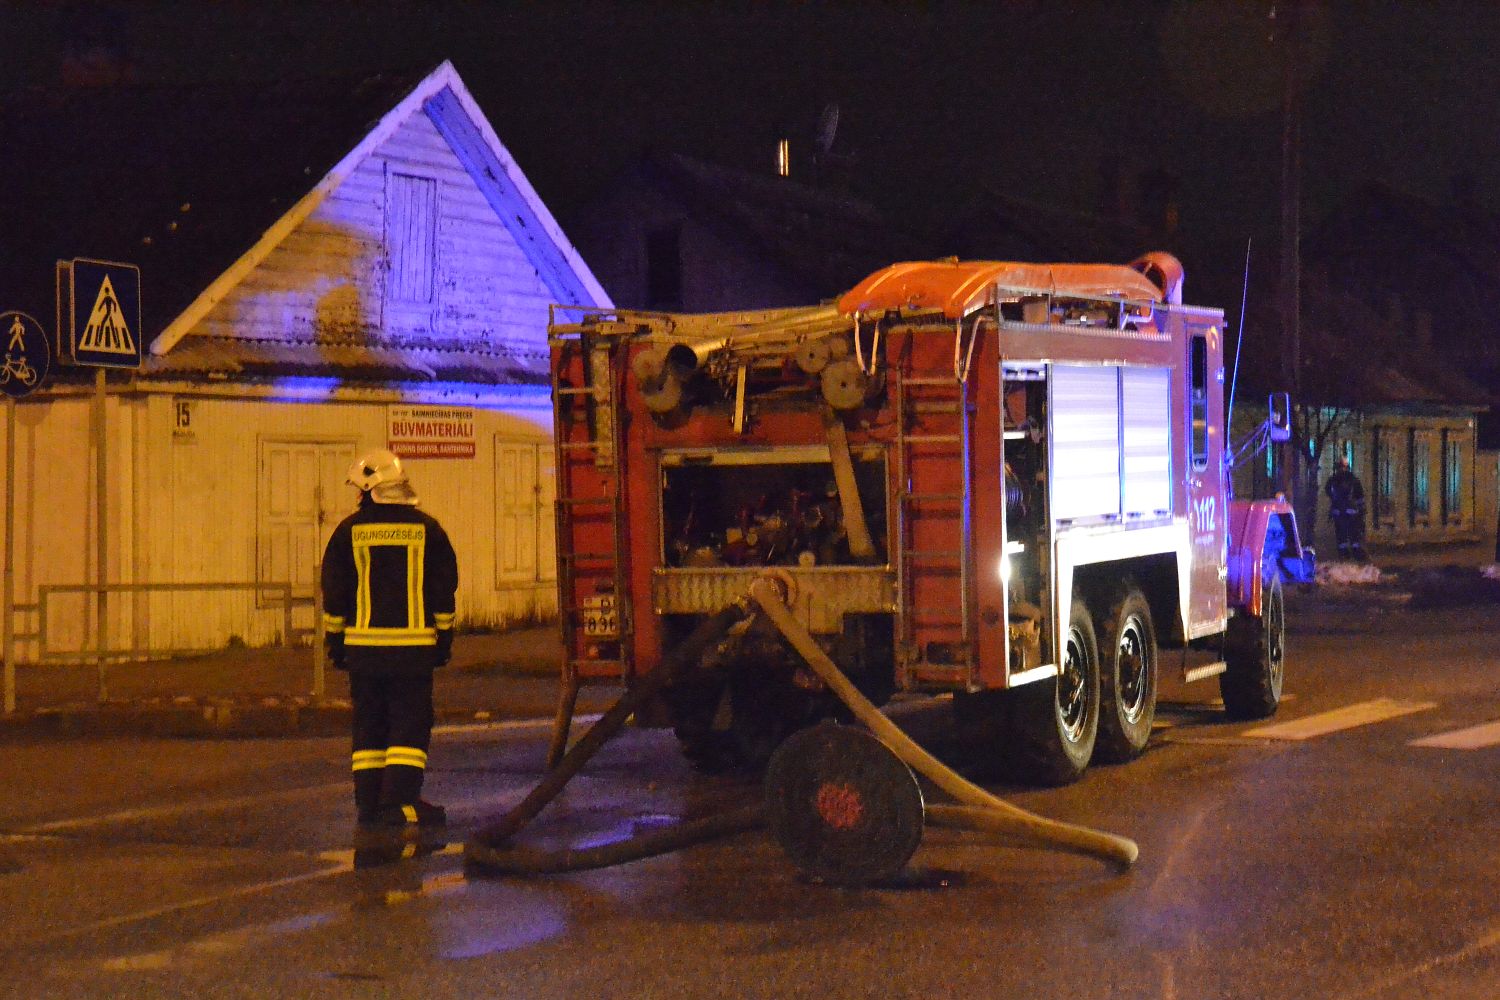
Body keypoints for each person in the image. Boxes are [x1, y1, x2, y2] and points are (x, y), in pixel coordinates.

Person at [322, 448, 458, 833]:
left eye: (359, 489)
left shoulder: (347, 532)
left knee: (369, 726)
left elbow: (335, 594)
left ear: (371, 488)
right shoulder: (429, 530)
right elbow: (443, 590)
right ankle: (399, 804)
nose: (357, 496)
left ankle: (368, 803)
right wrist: (443, 639)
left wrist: (336, 643)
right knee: (409, 727)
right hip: (413, 653)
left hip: (363, 653)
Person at [1324, 457, 1367, 561]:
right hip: (1351, 511)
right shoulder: (1353, 479)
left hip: (1338, 511)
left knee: (1341, 533)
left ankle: (1344, 554)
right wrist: (1361, 510)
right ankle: (1355, 553)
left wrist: (1334, 503)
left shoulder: (1333, 479)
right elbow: (1360, 496)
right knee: (1353, 533)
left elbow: (1328, 491)